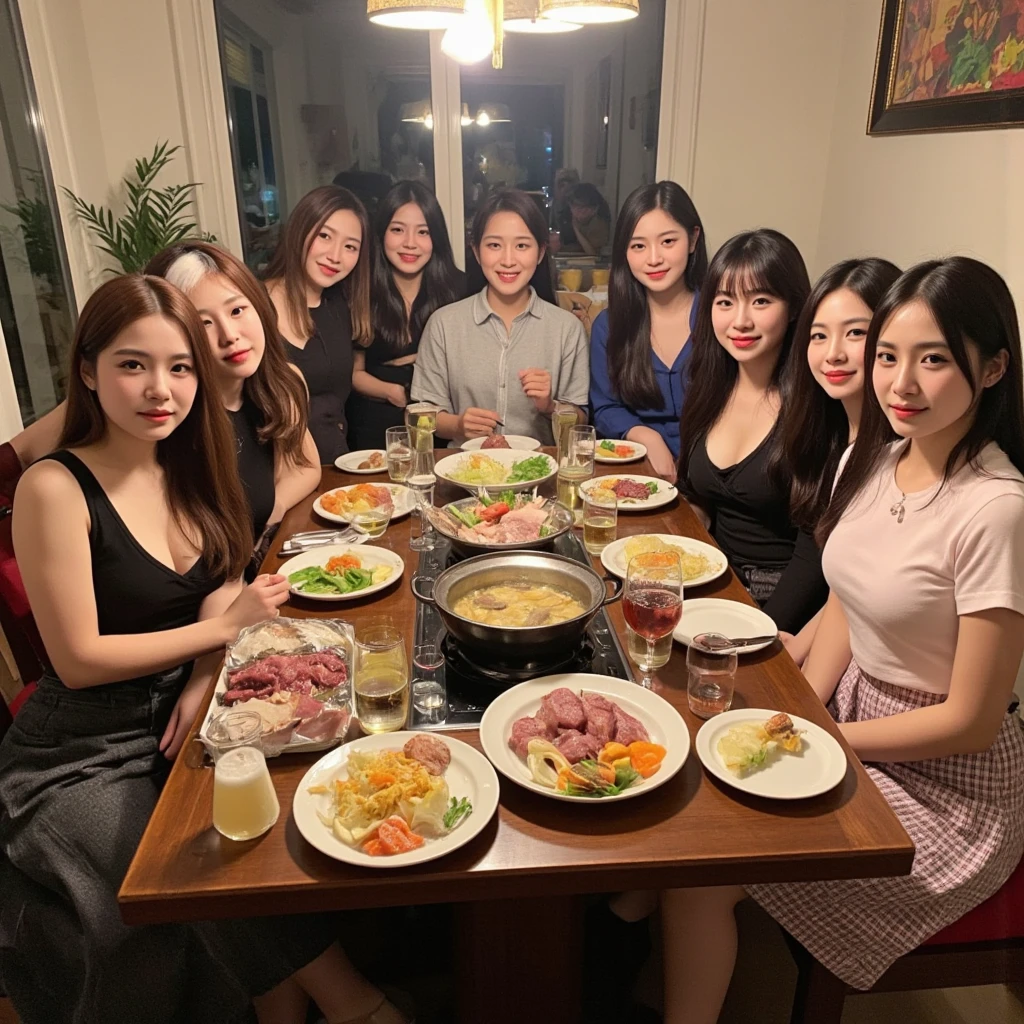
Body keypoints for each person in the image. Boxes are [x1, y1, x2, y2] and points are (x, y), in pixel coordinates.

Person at [0, 274, 410, 1024]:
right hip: (81, 744)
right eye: (133, 364)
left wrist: (201, 672)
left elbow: (221, 584)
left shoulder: (190, 461)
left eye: (180, 367)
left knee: (275, 828)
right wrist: (221, 636)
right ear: (88, 371)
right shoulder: (56, 487)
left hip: (194, 706)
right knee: (189, 867)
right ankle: (360, 1007)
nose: (161, 389)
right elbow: (78, 659)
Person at [660, 256, 1024, 1024]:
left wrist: (828, 736)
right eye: (889, 356)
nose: (902, 384)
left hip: (947, 784)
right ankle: (638, 945)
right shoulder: (887, 458)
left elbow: (974, 719)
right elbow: (851, 605)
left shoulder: (995, 509)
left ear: (992, 368)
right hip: (854, 714)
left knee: (699, 868)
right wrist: (798, 705)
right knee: (693, 751)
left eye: (935, 360)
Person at [5, 242, 322, 578]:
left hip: (255, 580)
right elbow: (18, 455)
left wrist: (273, 510)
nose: (230, 336)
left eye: (237, 311)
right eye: (203, 324)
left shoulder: (280, 383)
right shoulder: (155, 413)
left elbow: (307, 467)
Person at [677, 229, 824, 633]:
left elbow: (814, 551)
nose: (740, 320)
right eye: (725, 302)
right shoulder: (710, 387)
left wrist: (758, 631)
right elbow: (699, 497)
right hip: (715, 587)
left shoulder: (814, 404)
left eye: (761, 300)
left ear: (793, 306)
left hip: (778, 607)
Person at [777, 258, 902, 664]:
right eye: (818, 336)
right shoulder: (828, 433)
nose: (833, 353)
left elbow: (859, 595)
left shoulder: (900, 454)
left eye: (855, 333)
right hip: (825, 642)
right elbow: (813, 556)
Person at [412, 188, 589, 445]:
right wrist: (458, 424)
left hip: (539, 471)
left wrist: (550, 406)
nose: (508, 260)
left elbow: (580, 422)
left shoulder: (566, 329)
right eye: (494, 245)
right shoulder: (444, 324)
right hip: (465, 472)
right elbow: (420, 417)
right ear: (476, 251)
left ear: (540, 253)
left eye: (522, 245)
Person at [589, 181, 708, 482]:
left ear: (693, 240)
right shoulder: (610, 325)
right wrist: (646, 436)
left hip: (715, 475)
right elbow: (604, 407)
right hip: (640, 473)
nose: (654, 258)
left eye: (668, 241)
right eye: (638, 246)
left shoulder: (720, 315)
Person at [347, 181, 465, 450]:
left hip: (441, 423)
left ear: (436, 238)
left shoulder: (459, 288)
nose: (410, 243)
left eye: (423, 232)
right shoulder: (360, 289)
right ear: (381, 234)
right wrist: (395, 392)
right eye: (398, 230)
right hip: (376, 420)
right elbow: (353, 372)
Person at [264, 185, 371, 464]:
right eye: (325, 236)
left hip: (333, 468)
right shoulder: (251, 306)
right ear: (300, 230)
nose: (335, 256)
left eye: (350, 247)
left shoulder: (339, 308)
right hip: (272, 474)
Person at [563, 182, 611, 256]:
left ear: (595, 209)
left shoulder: (598, 223)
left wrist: (576, 229)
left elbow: (593, 253)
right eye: (573, 206)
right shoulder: (569, 217)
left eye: (581, 207)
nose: (576, 211)